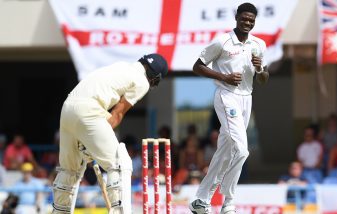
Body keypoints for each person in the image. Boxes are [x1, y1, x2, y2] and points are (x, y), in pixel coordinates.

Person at [51, 53, 168, 214]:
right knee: (120, 164)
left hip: (68, 107)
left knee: (69, 171)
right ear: (155, 77)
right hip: (89, 110)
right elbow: (117, 113)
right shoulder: (142, 81)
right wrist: (92, 142)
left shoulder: (121, 66)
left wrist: (90, 141)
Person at [189, 3, 269, 214]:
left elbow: (263, 80)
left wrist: (260, 68)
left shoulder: (258, 44)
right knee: (241, 149)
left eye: (251, 20)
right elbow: (197, 66)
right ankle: (228, 200)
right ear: (236, 18)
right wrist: (223, 77)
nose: (248, 23)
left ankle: (201, 200)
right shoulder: (222, 41)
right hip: (226, 96)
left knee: (225, 152)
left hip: (247, 99)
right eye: (244, 19)